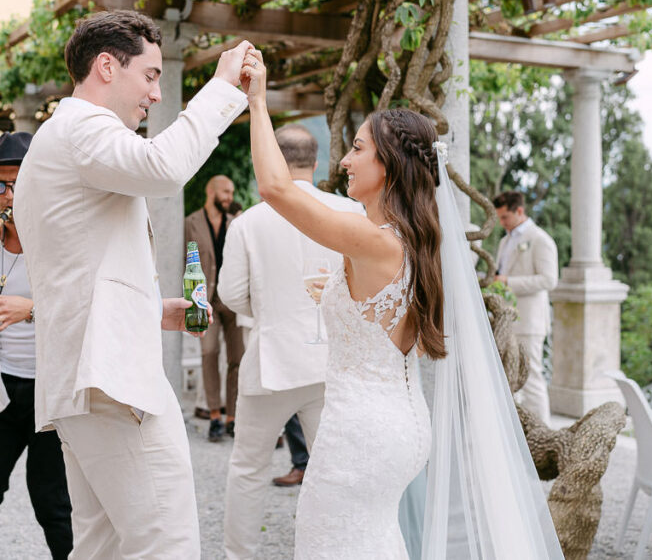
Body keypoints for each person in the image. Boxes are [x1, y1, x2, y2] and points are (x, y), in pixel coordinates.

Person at [241, 51, 564, 558]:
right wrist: (334, 295)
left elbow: (275, 188)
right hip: (399, 422)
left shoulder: (377, 240)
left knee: (332, 543)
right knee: (372, 541)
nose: (344, 161)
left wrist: (257, 101)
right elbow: (380, 317)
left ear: (388, 163)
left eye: (356, 149)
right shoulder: (414, 241)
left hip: (360, 434)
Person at [15, 10, 252, 559]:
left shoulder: (62, 137)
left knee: (103, 548)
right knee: (164, 544)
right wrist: (220, 89)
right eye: (150, 75)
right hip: (112, 381)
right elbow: (164, 170)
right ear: (105, 66)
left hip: (86, 378)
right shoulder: (82, 128)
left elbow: (80, 266)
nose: (155, 92)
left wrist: (149, 306)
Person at [218, 123, 361, 559]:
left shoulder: (248, 223)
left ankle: (238, 555)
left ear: (274, 160)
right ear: (316, 163)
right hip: (332, 362)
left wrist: (264, 310)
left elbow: (229, 293)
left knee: (247, 468)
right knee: (332, 468)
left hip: (270, 361)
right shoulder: (350, 212)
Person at [0, 131, 72, 560]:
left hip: (52, 390)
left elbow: (81, 307)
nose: (6, 195)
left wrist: (30, 309)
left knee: (54, 505)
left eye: (17, 183)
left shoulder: (63, 235)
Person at [185, 174, 243, 441]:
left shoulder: (237, 224)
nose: (230, 197)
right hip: (202, 299)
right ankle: (215, 417)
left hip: (232, 299)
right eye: (226, 192)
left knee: (237, 359)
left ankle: (232, 417)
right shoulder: (191, 223)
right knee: (209, 353)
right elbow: (183, 261)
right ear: (212, 192)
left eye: (232, 192)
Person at [494, 190, 559, 424]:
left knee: (532, 378)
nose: (502, 223)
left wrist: (508, 282)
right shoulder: (504, 241)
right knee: (510, 377)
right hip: (507, 321)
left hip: (530, 321)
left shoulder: (540, 240)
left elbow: (549, 280)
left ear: (519, 211)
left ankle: (543, 430)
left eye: (505, 218)